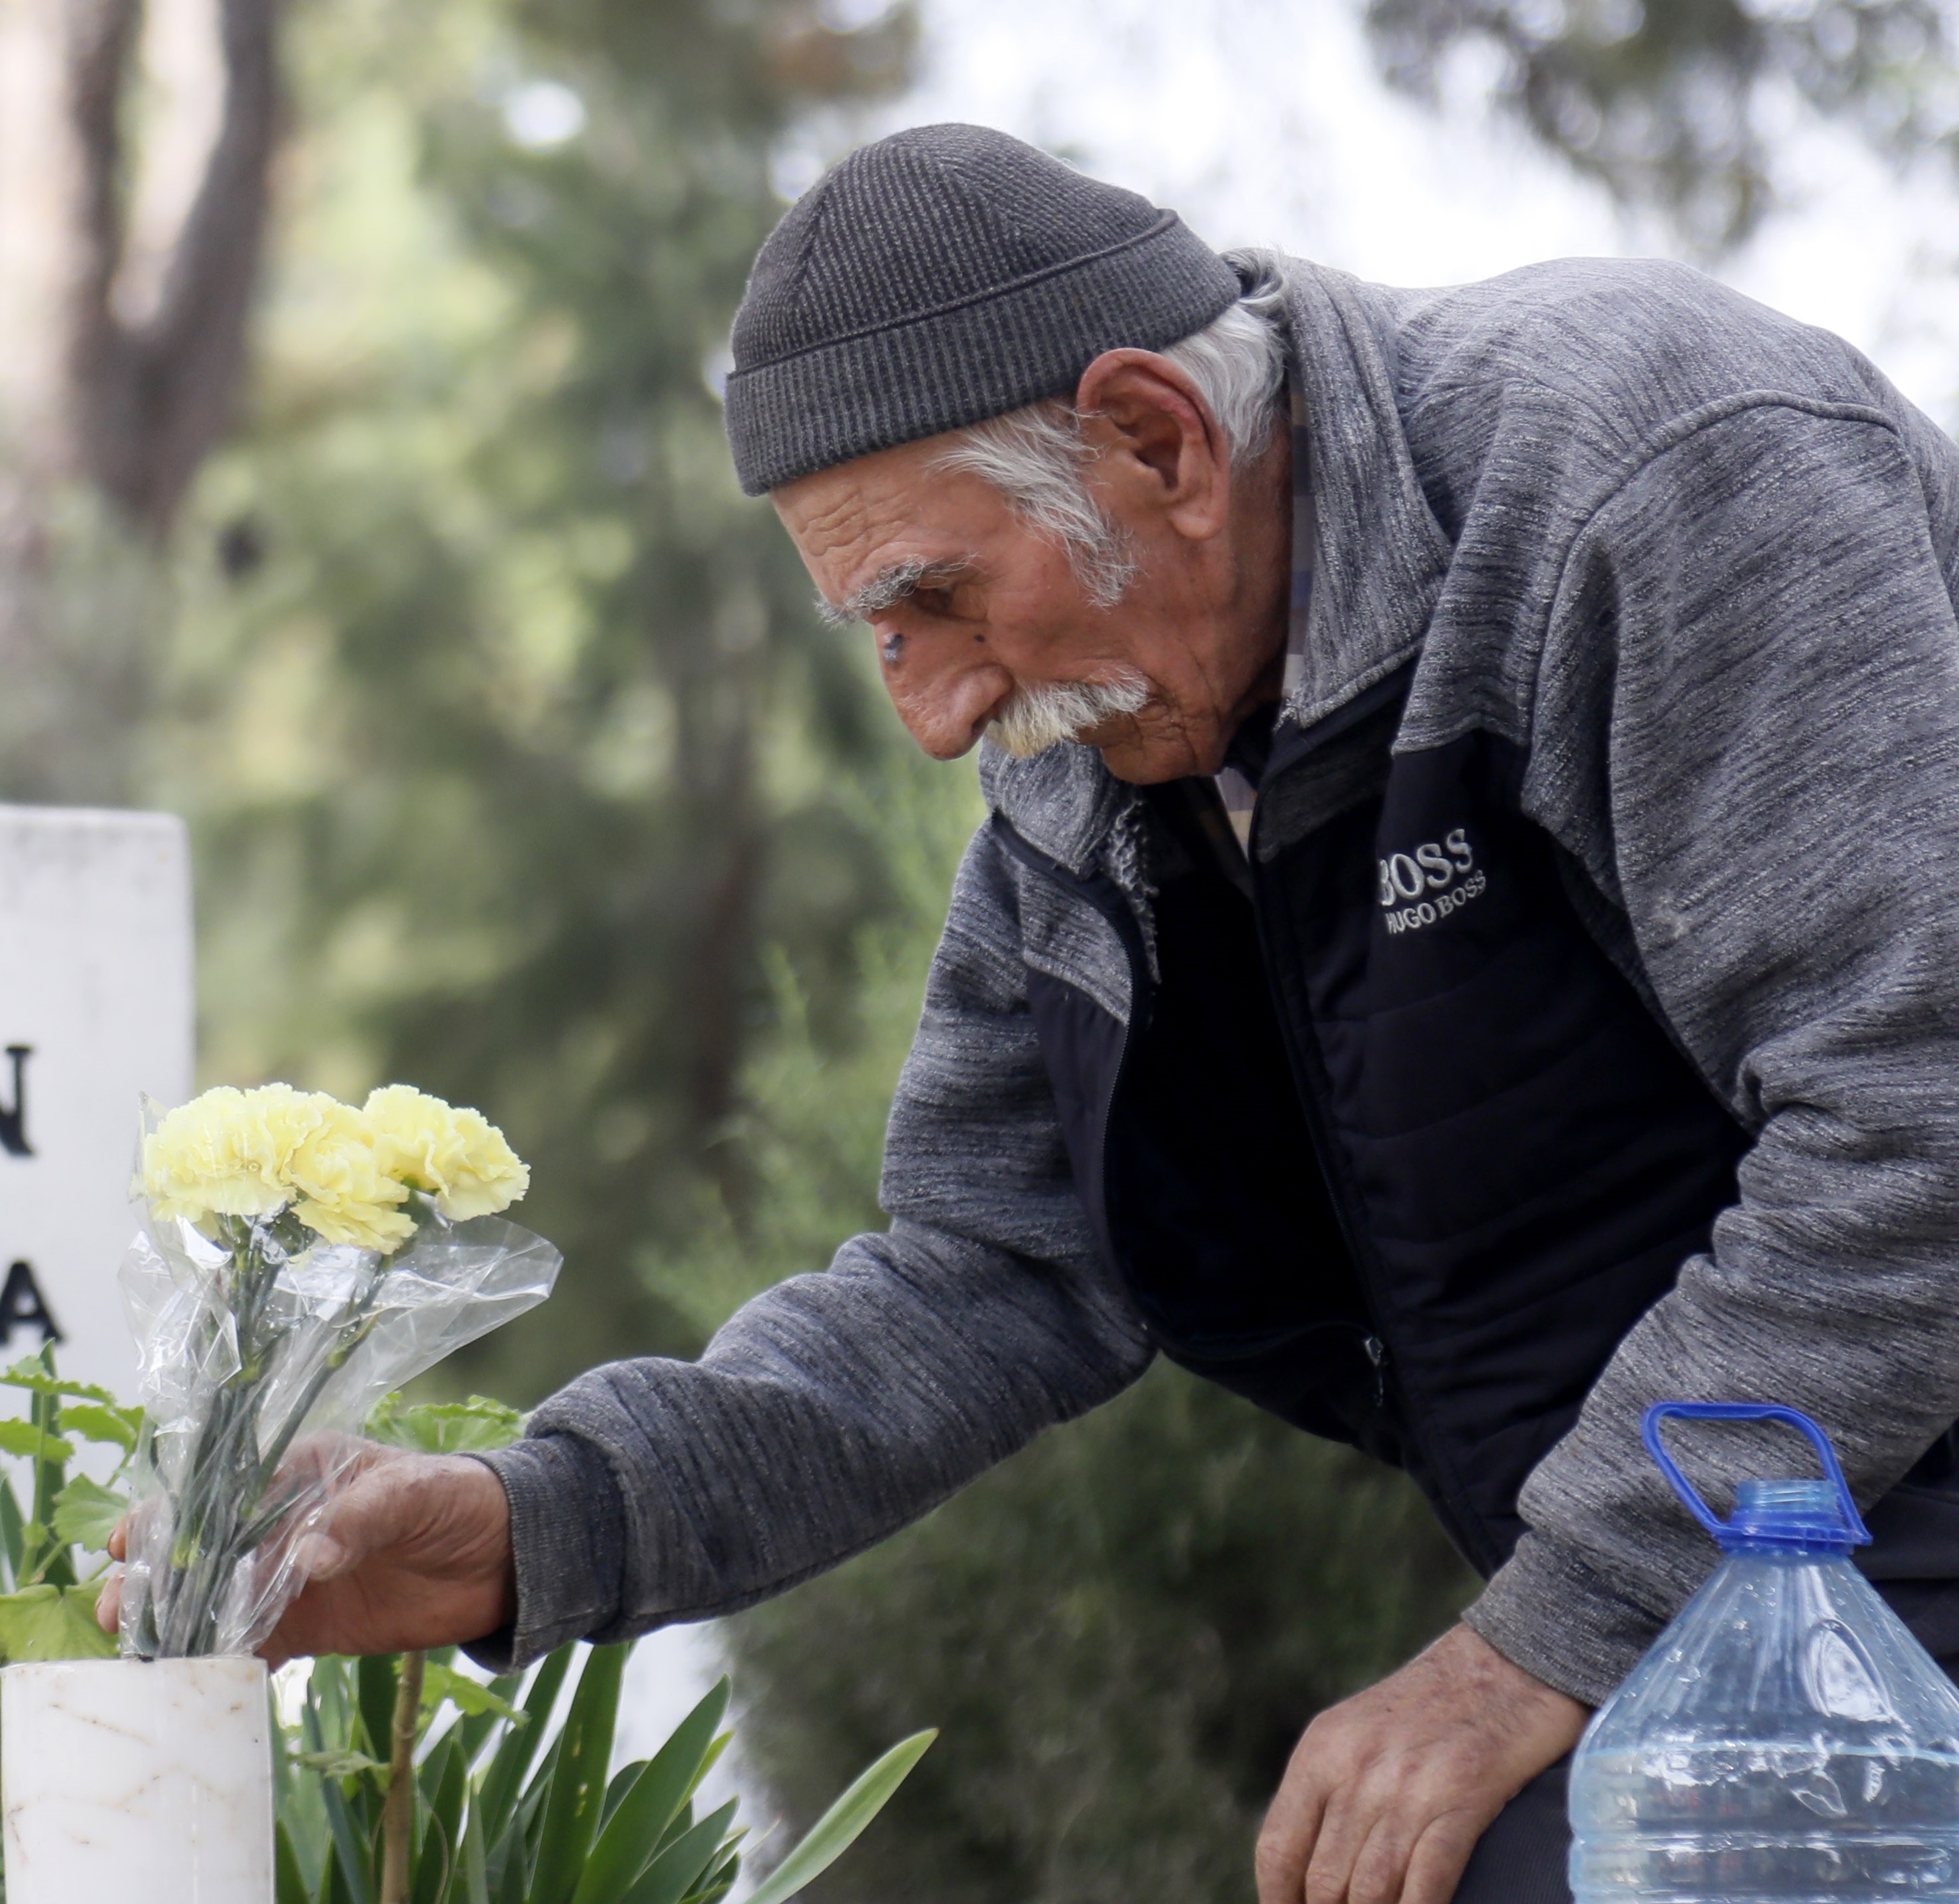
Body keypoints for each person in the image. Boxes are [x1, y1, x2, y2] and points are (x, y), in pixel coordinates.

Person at [104, 124, 1959, 1904]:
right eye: (879, 636)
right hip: (1744, 1626)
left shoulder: (1652, 479)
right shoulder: (1105, 743)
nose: (928, 716)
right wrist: (527, 1525)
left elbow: (1917, 1109)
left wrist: (1529, 1642)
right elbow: (990, 1264)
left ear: (1154, 436)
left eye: (935, 601)